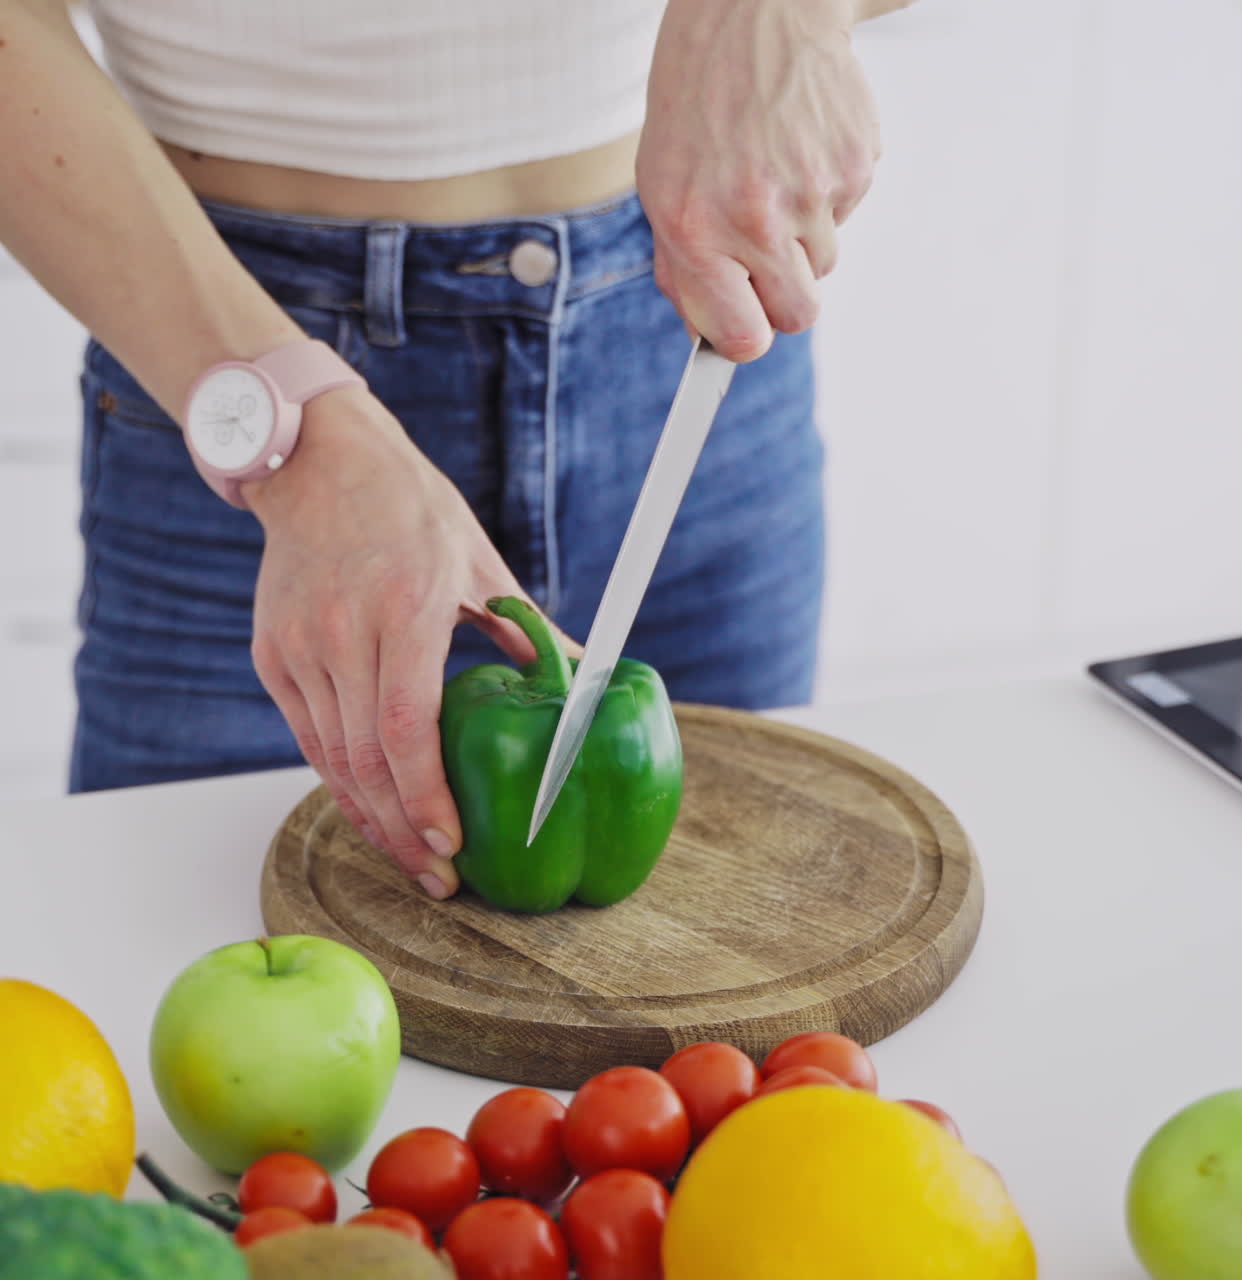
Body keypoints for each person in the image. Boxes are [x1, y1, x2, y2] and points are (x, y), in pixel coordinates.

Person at [0, 0, 908, 900]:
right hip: (220, 326)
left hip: (687, 316)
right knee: (169, 944)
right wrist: (298, 430)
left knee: (734, 950)